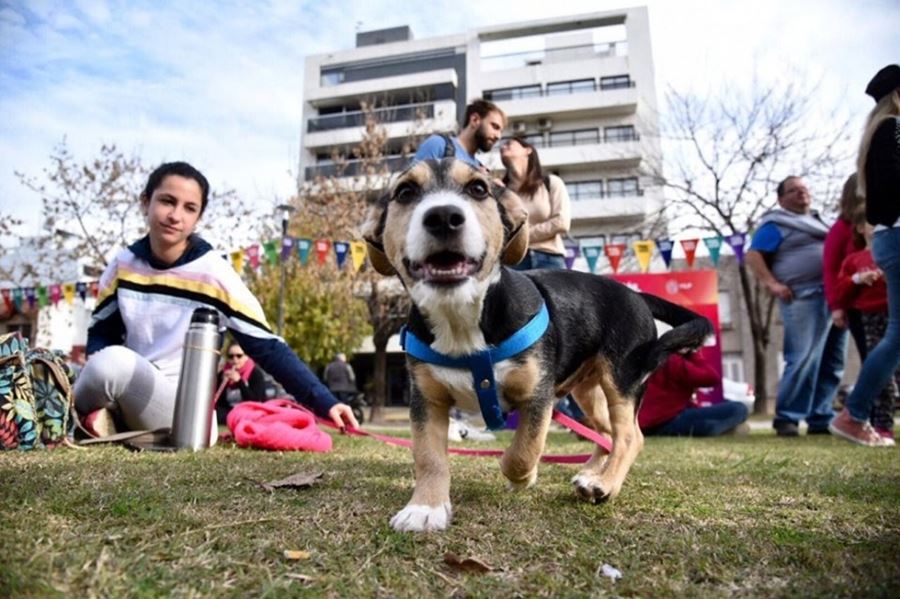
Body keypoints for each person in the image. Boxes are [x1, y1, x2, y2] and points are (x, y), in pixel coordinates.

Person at [74, 161, 358, 439]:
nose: (175, 215)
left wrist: (326, 402)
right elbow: (101, 332)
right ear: (145, 202)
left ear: (198, 217)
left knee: (112, 363)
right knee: (103, 363)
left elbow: (267, 347)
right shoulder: (122, 265)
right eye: (167, 201)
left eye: (189, 208)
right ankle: (106, 420)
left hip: (186, 412)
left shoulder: (214, 272)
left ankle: (99, 419)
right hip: (126, 383)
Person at [830, 64, 900, 447]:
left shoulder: (883, 132)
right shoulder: (891, 129)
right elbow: (890, 190)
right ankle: (854, 413)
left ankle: (855, 414)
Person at [746, 175, 845, 436]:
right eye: (793, 190)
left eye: (804, 188)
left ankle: (820, 417)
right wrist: (772, 284)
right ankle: (788, 418)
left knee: (833, 361)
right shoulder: (776, 223)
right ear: (781, 199)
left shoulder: (824, 222)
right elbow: (754, 255)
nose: (801, 193)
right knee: (802, 358)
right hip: (803, 297)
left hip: (836, 298)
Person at [833, 205, 897, 445]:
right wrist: (860, 279)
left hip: (892, 311)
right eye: (872, 223)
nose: (878, 227)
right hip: (870, 318)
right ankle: (882, 426)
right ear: (860, 228)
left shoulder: (892, 253)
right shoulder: (855, 260)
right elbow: (842, 289)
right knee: (883, 375)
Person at [499, 136, 572, 270]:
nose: (503, 146)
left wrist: (521, 237)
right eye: (501, 146)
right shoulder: (501, 192)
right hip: (514, 264)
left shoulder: (551, 183)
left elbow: (562, 223)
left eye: (509, 143)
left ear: (528, 150)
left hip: (550, 258)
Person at [639, 350, 749, 437]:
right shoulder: (676, 361)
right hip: (666, 420)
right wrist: (695, 354)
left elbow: (672, 399)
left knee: (724, 405)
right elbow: (712, 378)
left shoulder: (657, 358)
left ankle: (712, 428)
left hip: (646, 423)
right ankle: (718, 429)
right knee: (740, 409)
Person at [823, 174, 867, 360]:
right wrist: (836, 306)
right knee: (871, 353)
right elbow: (830, 269)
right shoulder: (841, 228)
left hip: (889, 301)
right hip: (860, 305)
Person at [413, 99, 506, 170]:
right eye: (495, 126)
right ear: (475, 120)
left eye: (501, 131)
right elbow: (412, 184)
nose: (498, 136)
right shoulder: (439, 145)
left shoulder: (480, 168)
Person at [216, 341, 268, 425]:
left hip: (249, 410)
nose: (235, 360)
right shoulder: (223, 374)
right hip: (230, 411)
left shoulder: (255, 374)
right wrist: (223, 383)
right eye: (231, 356)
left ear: (246, 356)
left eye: (239, 356)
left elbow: (255, 401)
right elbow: (218, 402)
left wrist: (240, 382)